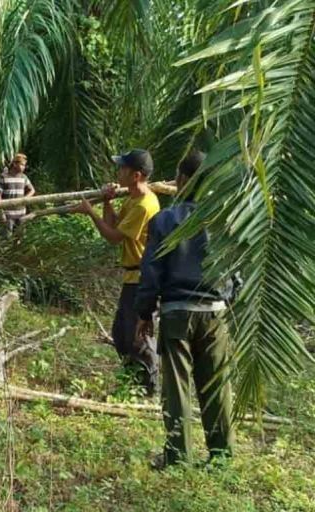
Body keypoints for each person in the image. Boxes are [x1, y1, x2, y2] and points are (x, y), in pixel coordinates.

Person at [135, 150, 235, 468]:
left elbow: (151, 270)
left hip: (177, 311)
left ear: (181, 180)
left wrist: (144, 312)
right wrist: (228, 297)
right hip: (214, 310)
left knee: (176, 386)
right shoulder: (223, 219)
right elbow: (237, 268)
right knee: (216, 385)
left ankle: (178, 456)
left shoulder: (165, 220)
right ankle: (221, 456)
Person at [69, 149, 160, 395]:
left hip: (142, 279)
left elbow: (112, 237)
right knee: (121, 334)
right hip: (131, 277)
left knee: (138, 337)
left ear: (136, 175)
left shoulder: (144, 204)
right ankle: (132, 381)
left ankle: (148, 388)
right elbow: (114, 224)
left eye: (123, 169)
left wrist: (90, 212)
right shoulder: (132, 198)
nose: (118, 172)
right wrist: (107, 202)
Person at [0, 153, 35, 233]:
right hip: (8, 214)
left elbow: (32, 190)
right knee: (6, 238)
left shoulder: (24, 177)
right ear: (15, 164)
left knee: (19, 238)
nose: (23, 167)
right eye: (22, 165)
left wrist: (25, 198)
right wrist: (1, 212)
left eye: (24, 165)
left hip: (21, 213)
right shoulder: (4, 176)